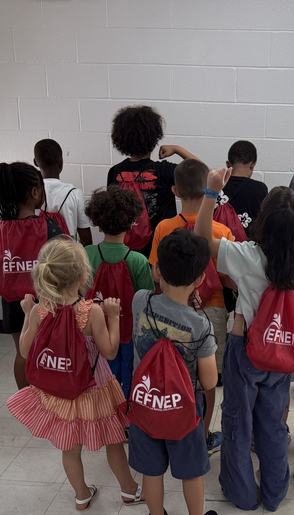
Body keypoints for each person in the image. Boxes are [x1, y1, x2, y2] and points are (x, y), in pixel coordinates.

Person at [195, 168, 294, 511]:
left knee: (237, 420)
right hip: (283, 355)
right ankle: (275, 491)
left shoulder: (248, 255)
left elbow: (202, 239)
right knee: (274, 424)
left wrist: (211, 192)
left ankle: (243, 493)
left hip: (245, 349)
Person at [6, 238, 143, 510]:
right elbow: (111, 351)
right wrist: (114, 317)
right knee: (114, 441)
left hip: (60, 391)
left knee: (69, 447)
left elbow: (24, 350)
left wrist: (26, 314)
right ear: (83, 274)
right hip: (95, 389)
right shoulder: (90, 311)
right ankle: (128, 490)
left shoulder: (39, 310)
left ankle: (81, 494)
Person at [130, 231, 221, 515]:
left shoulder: (140, 300)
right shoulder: (200, 325)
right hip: (183, 410)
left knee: (151, 472)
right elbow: (209, 381)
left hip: (143, 404)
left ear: (157, 270)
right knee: (191, 471)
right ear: (199, 278)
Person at [148, 159, 234, 455]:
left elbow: (155, 273)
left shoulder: (163, 228)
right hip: (213, 310)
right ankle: (205, 433)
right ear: (209, 189)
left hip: (172, 310)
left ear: (174, 190)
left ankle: (171, 426)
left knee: (176, 373)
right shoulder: (221, 230)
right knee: (208, 382)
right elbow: (229, 276)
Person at [0, 162, 67, 389]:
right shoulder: (50, 226)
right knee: (49, 354)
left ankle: (26, 401)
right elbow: (65, 265)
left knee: (22, 352)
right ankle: (49, 399)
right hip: (46, 302)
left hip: (12, 303)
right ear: (35, 192)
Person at [83, 188, 155, 397]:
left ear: (97, 220)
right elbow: (145, 302)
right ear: (132, 221)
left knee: (96, 384)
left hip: (92, 336)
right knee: (125, 384)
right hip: (128, 336)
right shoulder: (138, 260)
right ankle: (122, 422)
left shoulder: (86, 254)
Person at [106, 105, 197, 256]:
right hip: (162, 249)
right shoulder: (165, 171)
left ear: (120, 138)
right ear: (154, 138)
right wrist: (177, 149)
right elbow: (203, 172)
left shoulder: (115, 172)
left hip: (127, 252)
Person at [33, 138, 92, 244]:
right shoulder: (74, 193)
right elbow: (86, 237)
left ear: (35, 162)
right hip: (68, 256)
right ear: (61, 162)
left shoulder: (32, 194)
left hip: (40, 257)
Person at [222, 140, 269, 231]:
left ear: (228, 165)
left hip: (219, 242)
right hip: (247, 244)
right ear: (252, 165)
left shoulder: (218, 186)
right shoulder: (259, 189)